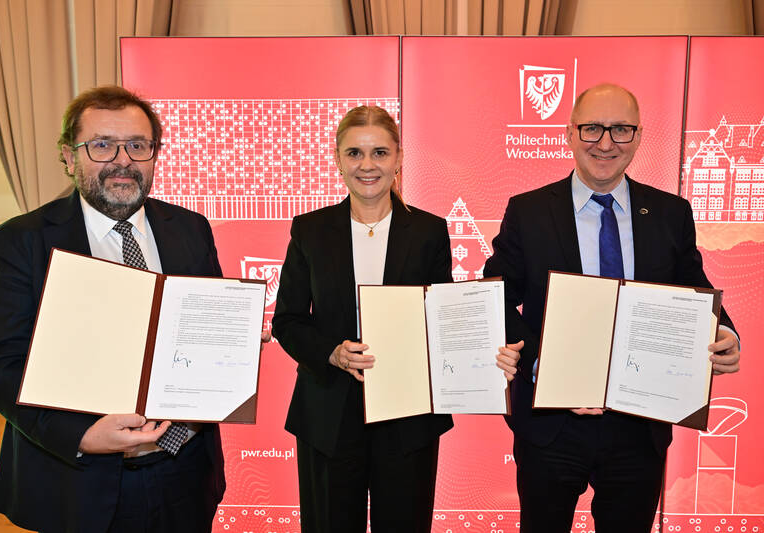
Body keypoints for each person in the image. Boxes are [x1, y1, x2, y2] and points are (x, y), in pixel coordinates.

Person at [483, 83, 741, 532]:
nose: (605, 143)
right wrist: (540, 364)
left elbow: (694, 287)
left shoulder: (671, 213)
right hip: (550, 423)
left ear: (639, 137)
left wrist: (724, 332)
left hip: (639, 421)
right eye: (592, 129)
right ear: (569, 133)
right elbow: (495, 295)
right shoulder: (527, 211)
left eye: (621, 129)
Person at [0, 86, 227, 533]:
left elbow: (196, 336)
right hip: (75, 480)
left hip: (185, 471)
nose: (122, 160)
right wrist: (81, 436)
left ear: (154, 154)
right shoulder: (19, 241)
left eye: (138, 145)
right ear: (68, 157)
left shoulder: (190, 228)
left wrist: (229, 340)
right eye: (102, 145)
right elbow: (1, 367)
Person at [272, 105, 518, 532]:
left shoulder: (428, 231)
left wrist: (486, 353)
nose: (367, 165)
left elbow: (445, 321)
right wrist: (331, 353)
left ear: (399, 158)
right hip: (328, 415)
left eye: (380, 153)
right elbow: (287, 320)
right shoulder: (309, 230)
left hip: (409, 417)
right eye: (354, 153)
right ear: (337, 159)